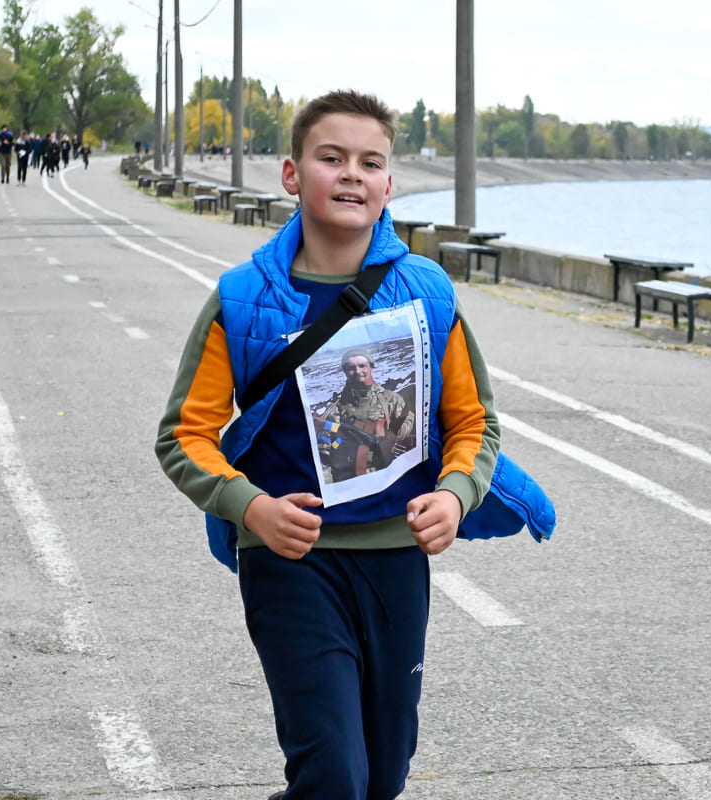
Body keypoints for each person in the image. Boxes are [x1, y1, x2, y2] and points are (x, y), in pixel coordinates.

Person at [155, 90, 553, 800]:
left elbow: (473, 422)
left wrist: (456, 497)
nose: (351, 174)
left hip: (395, 560)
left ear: (388, 185)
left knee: (382, 776)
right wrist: (252, 509)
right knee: (334, 774)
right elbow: (184, 435)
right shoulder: (242, 298)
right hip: (288, 562)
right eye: (331, 157)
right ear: (291, 174)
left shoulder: (426, 290)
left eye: (370, 162)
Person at [316, 347, 415, 483]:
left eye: (362, 366)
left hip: (387, 477)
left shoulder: (392, 401)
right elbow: (325, 455)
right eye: (351, 368)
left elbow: (403, 436)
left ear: (371, 368)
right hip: (349, 481)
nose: (357, 372)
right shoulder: (336, 410)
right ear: (345, 372)